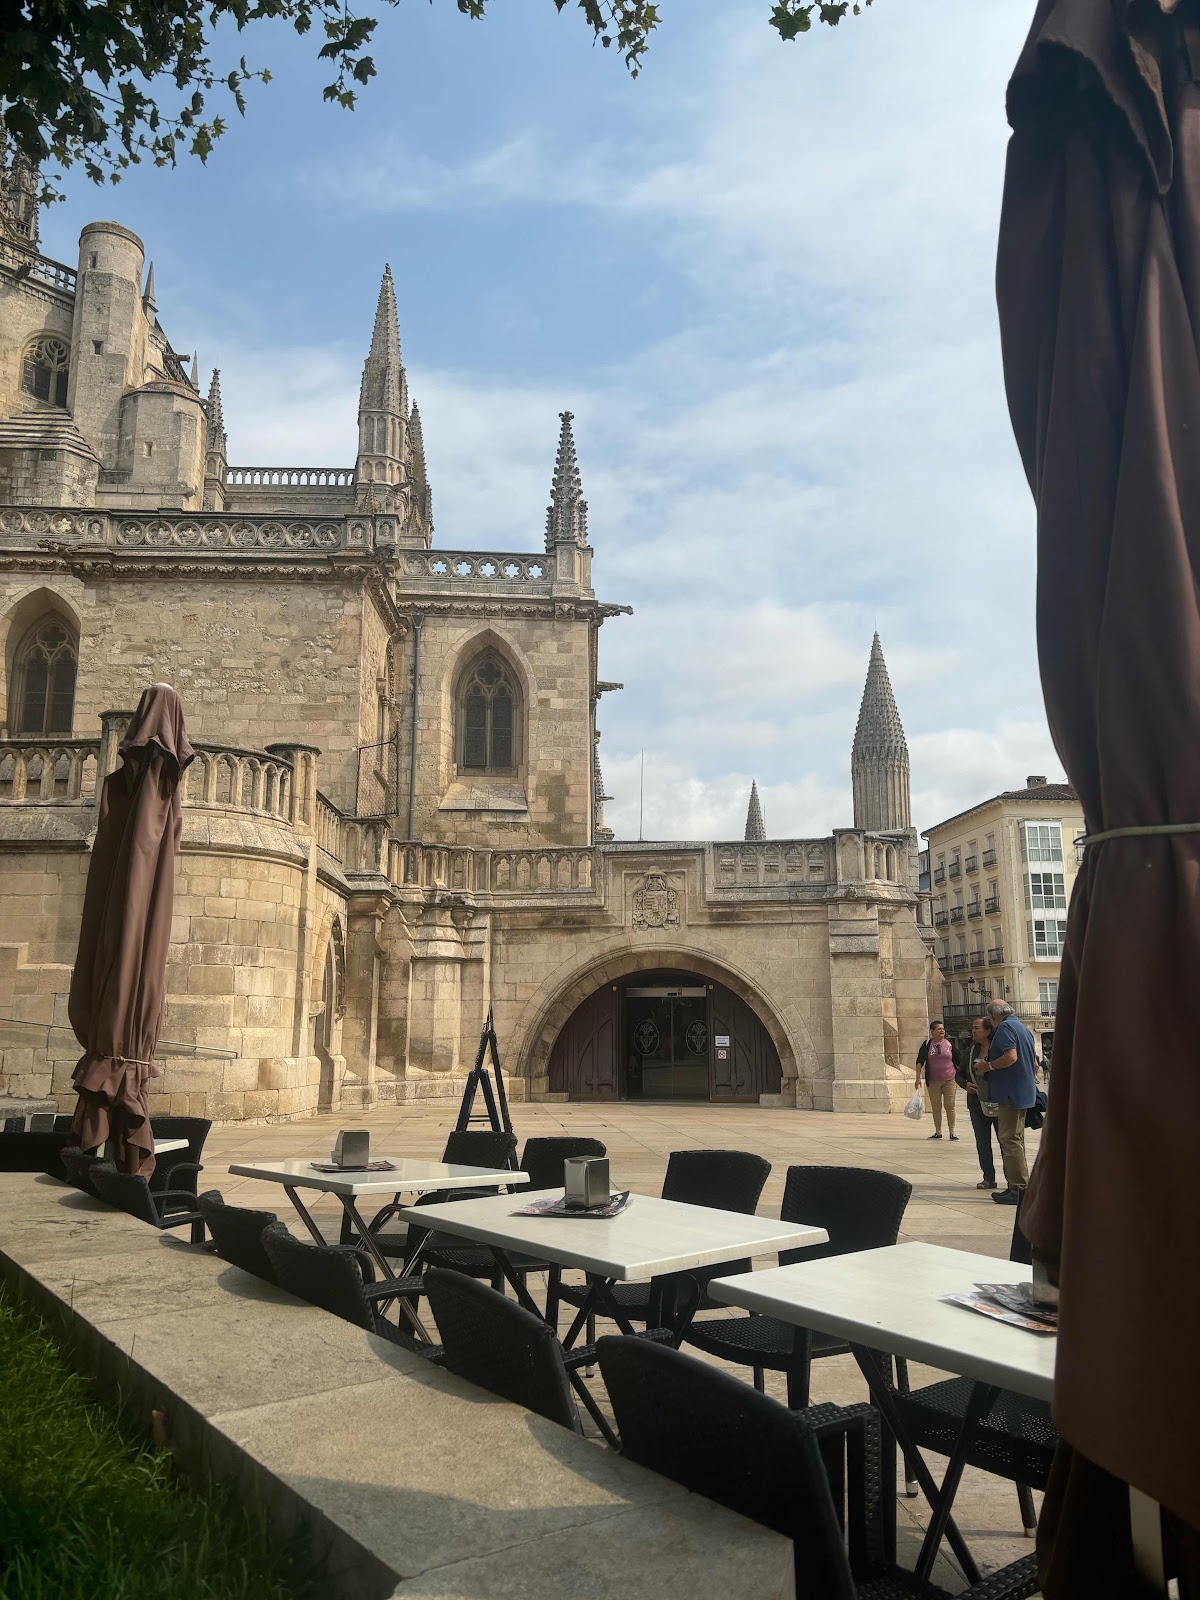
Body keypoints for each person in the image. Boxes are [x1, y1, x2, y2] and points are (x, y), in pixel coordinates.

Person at [977, 1000, 1039, 1205]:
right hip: (1022, 1091)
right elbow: (1034, 1062)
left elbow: (1010, 1057)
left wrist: (988, 1066)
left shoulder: (1005, 1028)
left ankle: (1019, 1189)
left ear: (993, 1017)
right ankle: (1019, 1186)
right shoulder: (1022, 1028)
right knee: (1016, 1139)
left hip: (1011, 1094)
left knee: (1009, 1139)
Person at [959, 1015, 1002, 1190]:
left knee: (1005, 1142)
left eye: (977, 1028)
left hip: (999, 1102)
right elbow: (958, 1074)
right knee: (982, 1142)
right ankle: (988, 1178)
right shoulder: (970, 1052)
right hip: (977, 1104)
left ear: (988, 1030)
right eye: (972, 1028)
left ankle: (1012, 1179)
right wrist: (965, 1085)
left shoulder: (999, 1050)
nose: (973, 1031)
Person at [915, 1020, 960, 1141]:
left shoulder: (949, 1043)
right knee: (936, 1106)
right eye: (939, 1029)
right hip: (933, 1081)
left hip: (950, 1079)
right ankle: (938, 1132)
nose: (942, 1031)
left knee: (950, 1105)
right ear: (932, 1031)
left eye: (943, 1029)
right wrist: (918, 1077)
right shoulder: (927, 1044)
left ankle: (952, 1132)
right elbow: (919, 1061)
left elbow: (958, 1060)